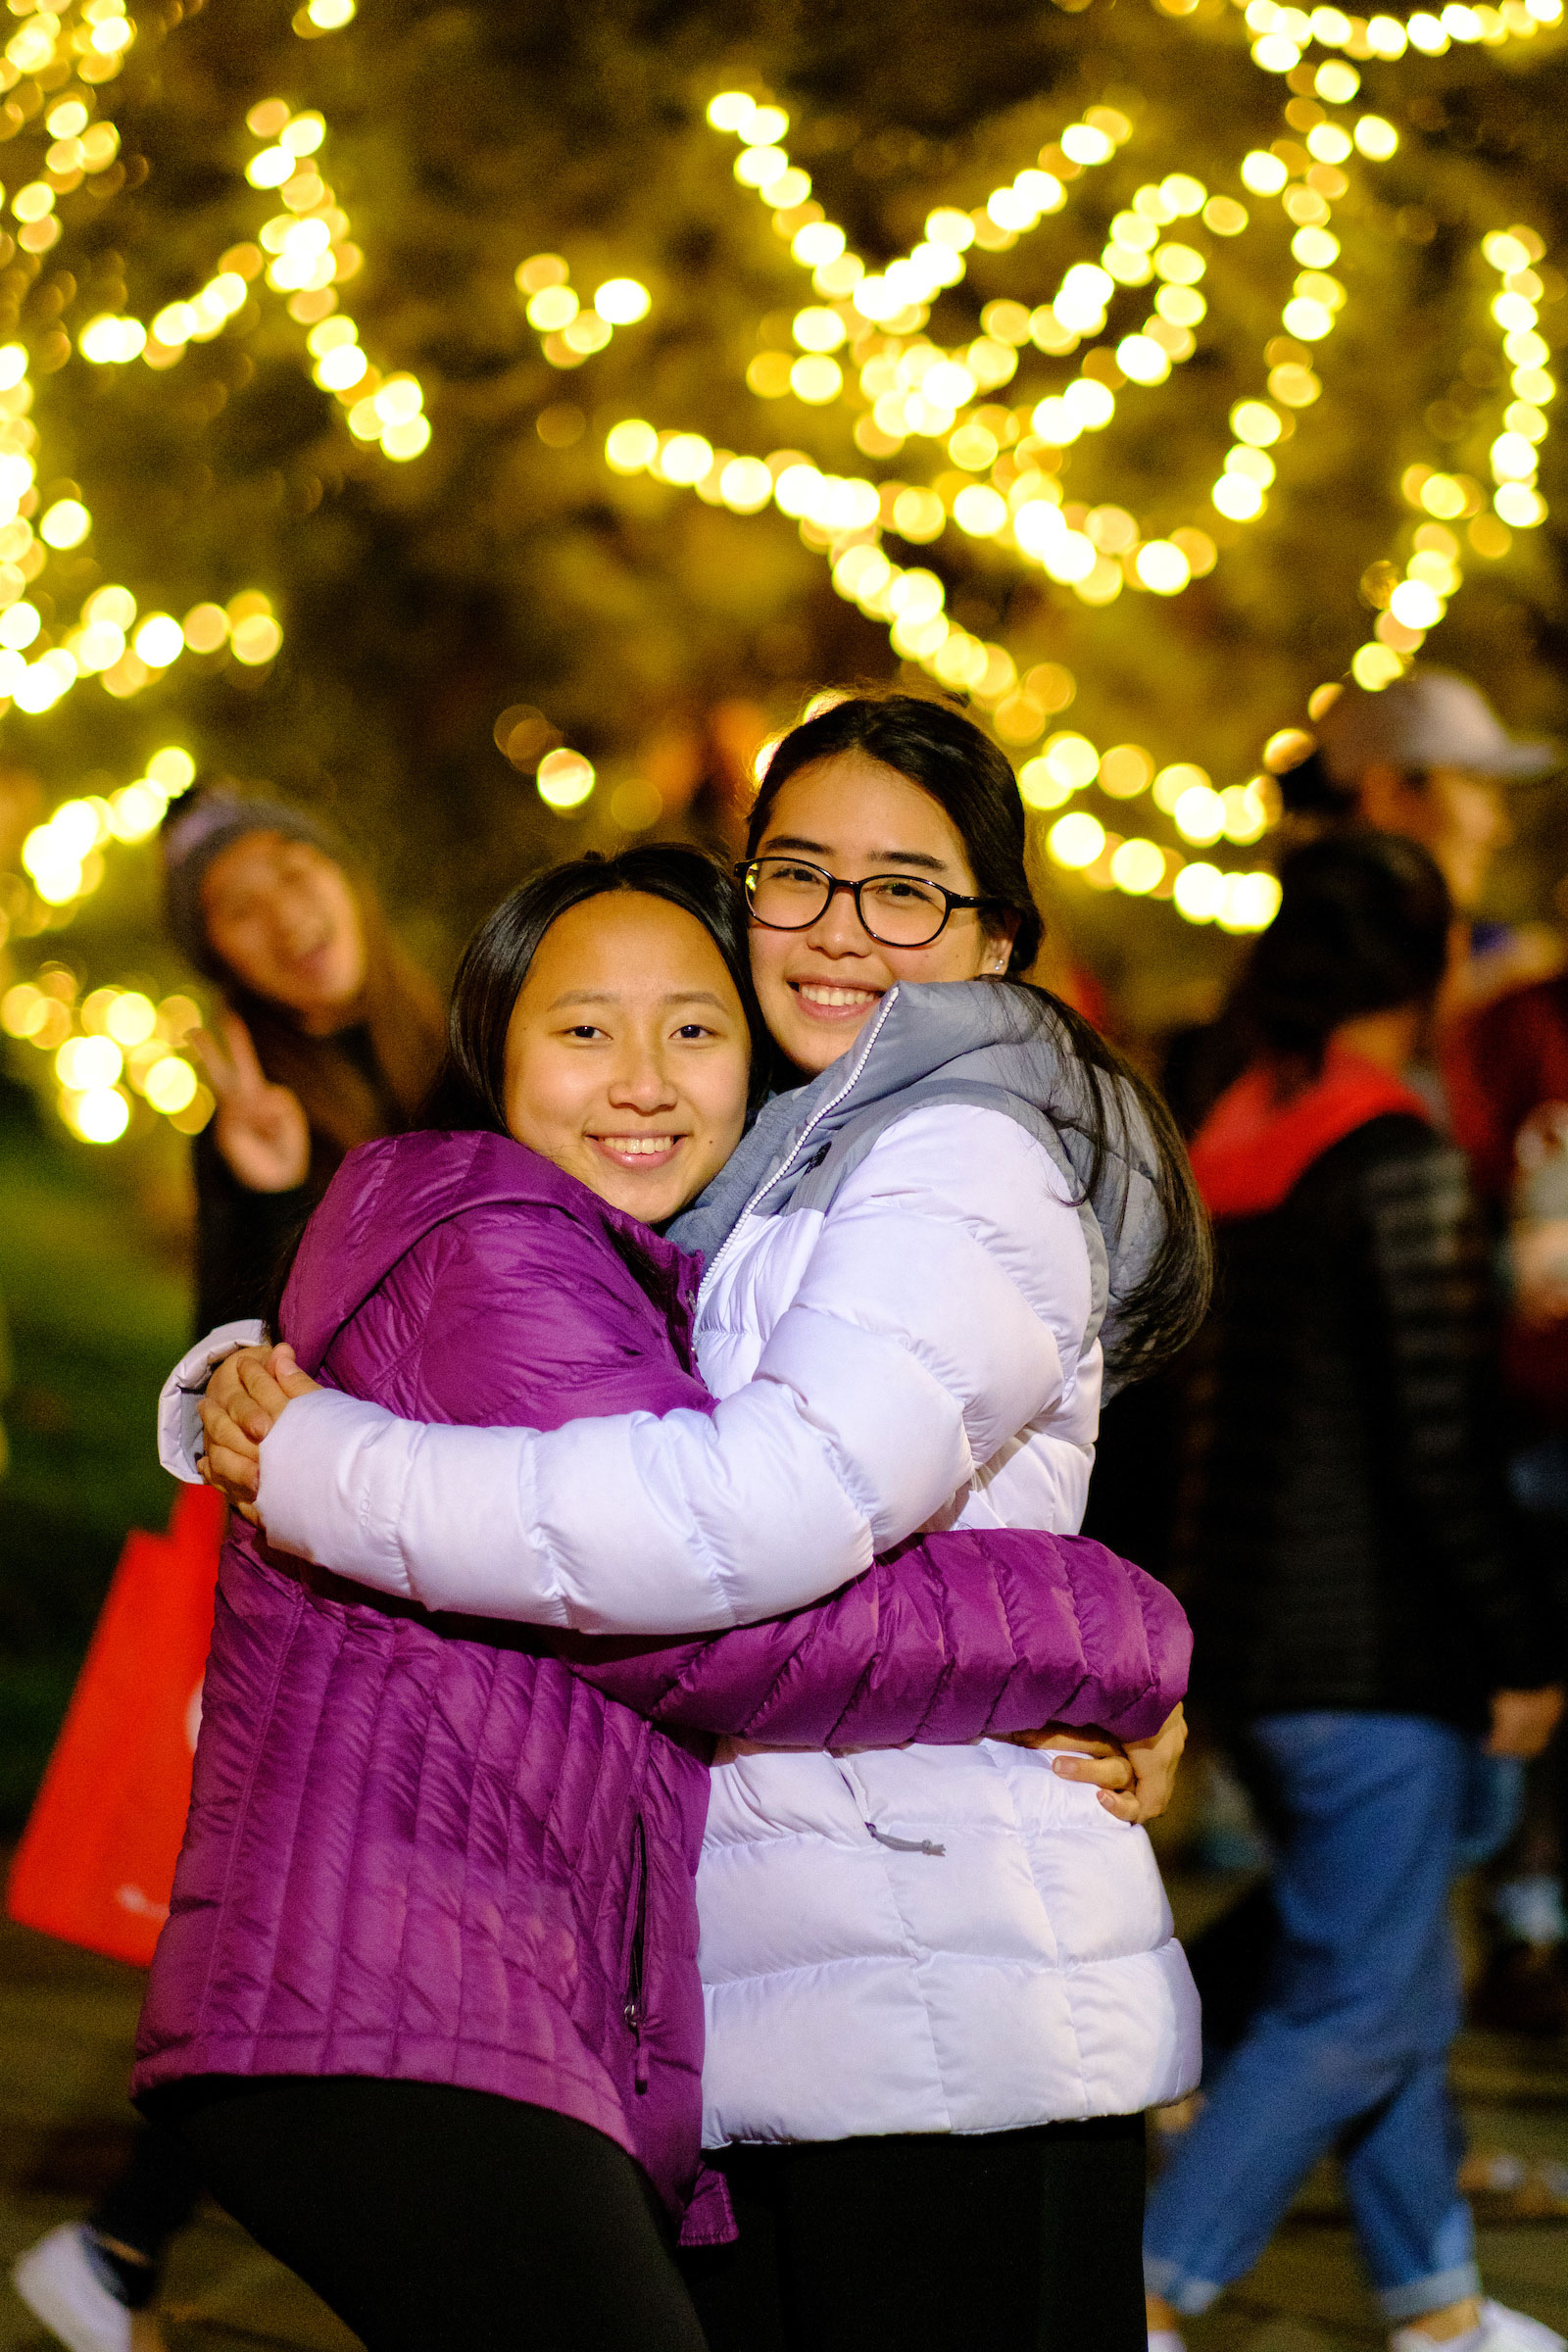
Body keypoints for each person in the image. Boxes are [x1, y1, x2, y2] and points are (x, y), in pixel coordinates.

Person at [182, 693, 1211, 2352]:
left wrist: (1118, 1641)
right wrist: (251, 1372)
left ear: (999, 939)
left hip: (940, 1988)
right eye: (797, 874)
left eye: (908, 890)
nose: (839, 930)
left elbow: (738, 1538)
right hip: (784, 2003)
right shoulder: (750, 1178)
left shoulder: (956, 1154)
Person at [13, 786, 445, 2352]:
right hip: (358, 1578)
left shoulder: (484, 1033)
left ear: (343, 867)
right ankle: (128, 2237)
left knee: (352, 1931)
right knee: (340, 1929)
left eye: (288, 871)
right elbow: (226, 1375)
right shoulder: (265, 1105)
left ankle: (123, 2244)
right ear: (228, 966)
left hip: (470, 1545)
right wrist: (265, 1186)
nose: (279, 913)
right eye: (235, 915)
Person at [1142, 831, 1565, 2352]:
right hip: (1375, 1655)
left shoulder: (1238, 1131)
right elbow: (1438, 1440)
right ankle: (1152, 2285)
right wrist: (1521, 1647)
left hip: (1251, 1638)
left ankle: (1434, 2308)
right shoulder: (1394, 1154)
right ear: (1428, 963)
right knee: (1354, 2003)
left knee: (1392, 1987)